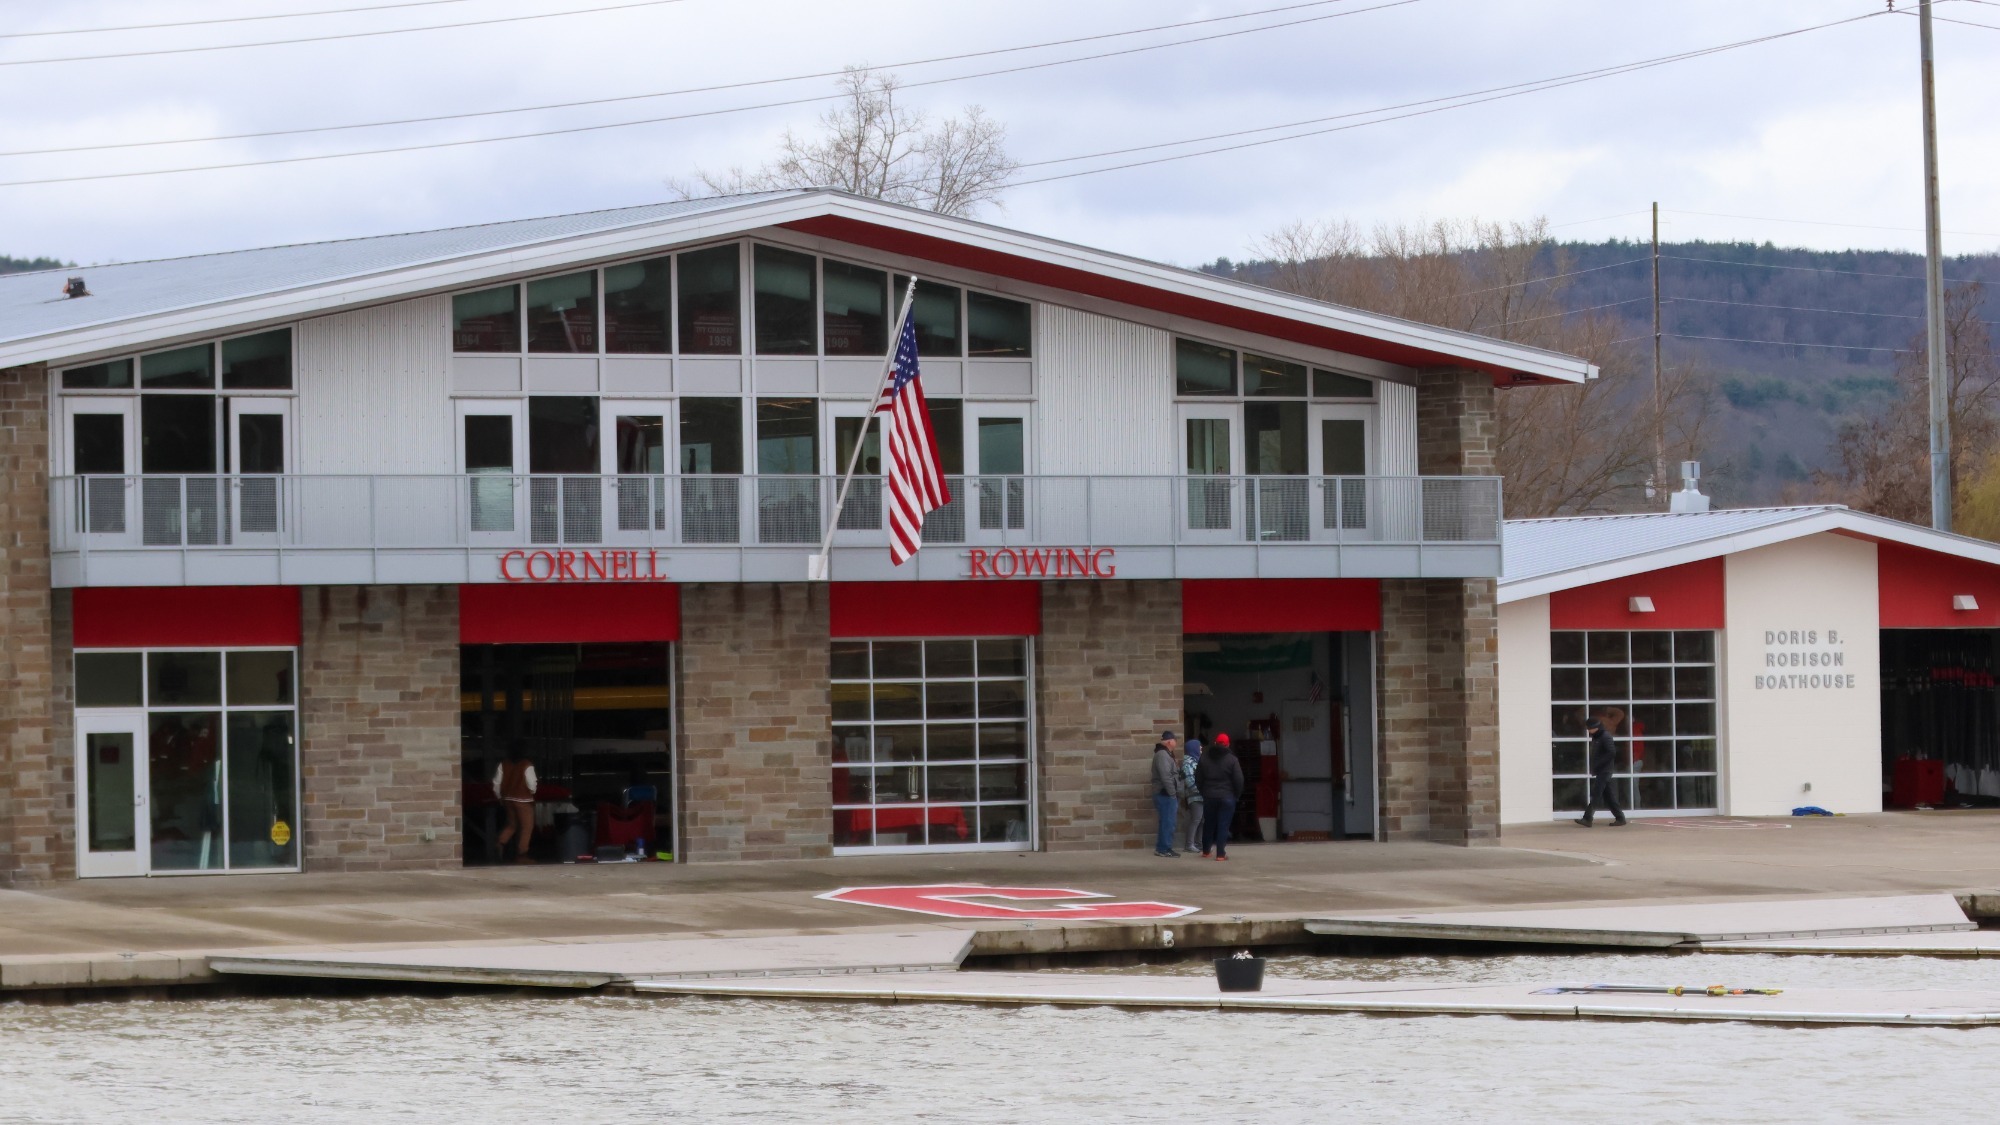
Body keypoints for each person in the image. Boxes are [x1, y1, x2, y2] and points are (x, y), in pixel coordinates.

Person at [1196, 733, 1246, 860]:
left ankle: (1206, 851)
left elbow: (1198, 779)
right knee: (1223, 825)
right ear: (1228, 744)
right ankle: (1220, 854)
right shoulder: (1232, 759)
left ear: (1215, 743)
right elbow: (1239, 780)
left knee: (1209, 824)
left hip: (1209, 796)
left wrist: (1203, 792)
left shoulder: (1204, 758)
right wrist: (1236, 795)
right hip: (1227, 796)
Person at [1576, 716, 1628, 828]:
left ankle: (1587, 818)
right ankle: (1620, 817)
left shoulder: (1605, 736)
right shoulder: (1596, 737)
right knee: (1609, 797)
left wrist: (1599, 764)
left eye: (1590, 728)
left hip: (1605, 770)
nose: (1588, 731)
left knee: (1596, 795)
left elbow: (1611, 752)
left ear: (1596, 727)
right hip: (1600, 770)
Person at [493, 743, 540, 862]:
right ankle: (522, 855)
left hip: (507, 799)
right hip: (523, 800)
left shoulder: (503, 764)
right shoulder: (527, 765)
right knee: (527, 827)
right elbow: (531, 783)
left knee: (512, 824)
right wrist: (532, 791)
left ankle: (500, 842)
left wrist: (500, 797)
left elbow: (496, 783)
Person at [1150, 730, 1182, 857]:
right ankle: (1164, 849)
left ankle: (1163, 847)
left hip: (1166, 794)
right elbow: (1165, 776)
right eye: (1175, 739)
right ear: (1169, 741)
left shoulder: (1166, 754)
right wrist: (1173, 793)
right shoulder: (1163, 755)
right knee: (1168, 822)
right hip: (1165, 795)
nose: (1176, 742)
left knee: (1167, 821)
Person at [1180, 737, 1205, 854]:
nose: (1201, 748)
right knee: (1196, 819)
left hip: (1200, 795)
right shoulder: (1188, 763)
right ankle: (1189, 844)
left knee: (1201, 820)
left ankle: (1199, 843)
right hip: (1195, 796)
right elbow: (1190, 780)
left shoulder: (1196, 761)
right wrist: (1202, 790)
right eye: (1199, 746)